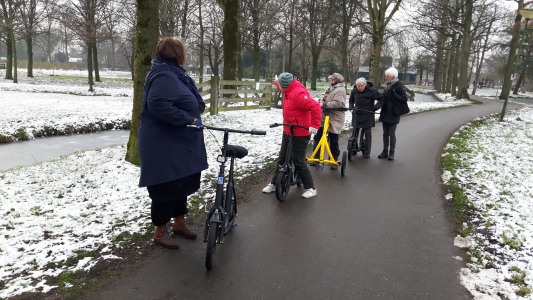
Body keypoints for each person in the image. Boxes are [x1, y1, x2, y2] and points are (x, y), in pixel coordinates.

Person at [138, 37, 208, 249]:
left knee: (181, 182)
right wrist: (188, 120)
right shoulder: (163, 75)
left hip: (179, 141)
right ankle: (160, 231)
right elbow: (158, 104)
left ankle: (179, 223)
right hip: (164, 143)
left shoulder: (172, 72)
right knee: (165, 185)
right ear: (178, 54)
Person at [262, 72, 322, 198]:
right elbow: (279, 83)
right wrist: (276, 80)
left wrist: (315, 126)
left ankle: (311, 187)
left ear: (288, 86)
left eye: (283, 88)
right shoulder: (286, 88)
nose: (281, 89)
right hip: (288, 129)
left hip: (301, 131)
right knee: (282, 158)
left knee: (298, 160)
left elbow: (316, 107)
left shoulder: (298, 94)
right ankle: (274, 183)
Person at [311, 73, 346, 169]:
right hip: (324, 115)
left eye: (332, 80)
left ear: (337, 81)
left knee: (333, 138)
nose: (331, 81)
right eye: (330, 79)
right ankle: (316, 156)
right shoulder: (330, 88)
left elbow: (339, 103)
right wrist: (319, 102)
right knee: (318, 135)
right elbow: (322, 98)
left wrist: (324, 104)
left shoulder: (340, 90)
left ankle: (333, 158)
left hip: (335, 116)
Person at [378, 67, 408, 161]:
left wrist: (394, 94)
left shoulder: (398, 85)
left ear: (393, 77)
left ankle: (392, 152)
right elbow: (384, 97)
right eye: (385, 76)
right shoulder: (387, 85)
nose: (385, 78)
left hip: (394, 113)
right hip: (385, 111)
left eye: (387, 76)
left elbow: (404, 98)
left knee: (391, 133)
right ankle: (384, 151)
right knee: (385, 133)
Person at [348, 77, 383, 158]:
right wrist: (351, 108)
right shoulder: (354, 91)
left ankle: (367, 152)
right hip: (357, 114)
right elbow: (351, 101)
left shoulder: (372, 91)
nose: (360, 87)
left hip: (368, 114)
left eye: (361, 86)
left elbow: (381, 99)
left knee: (367, 133)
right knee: (355, 132)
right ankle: (353, 148)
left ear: (365, 84)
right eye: (358, 86)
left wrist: (374, 108)